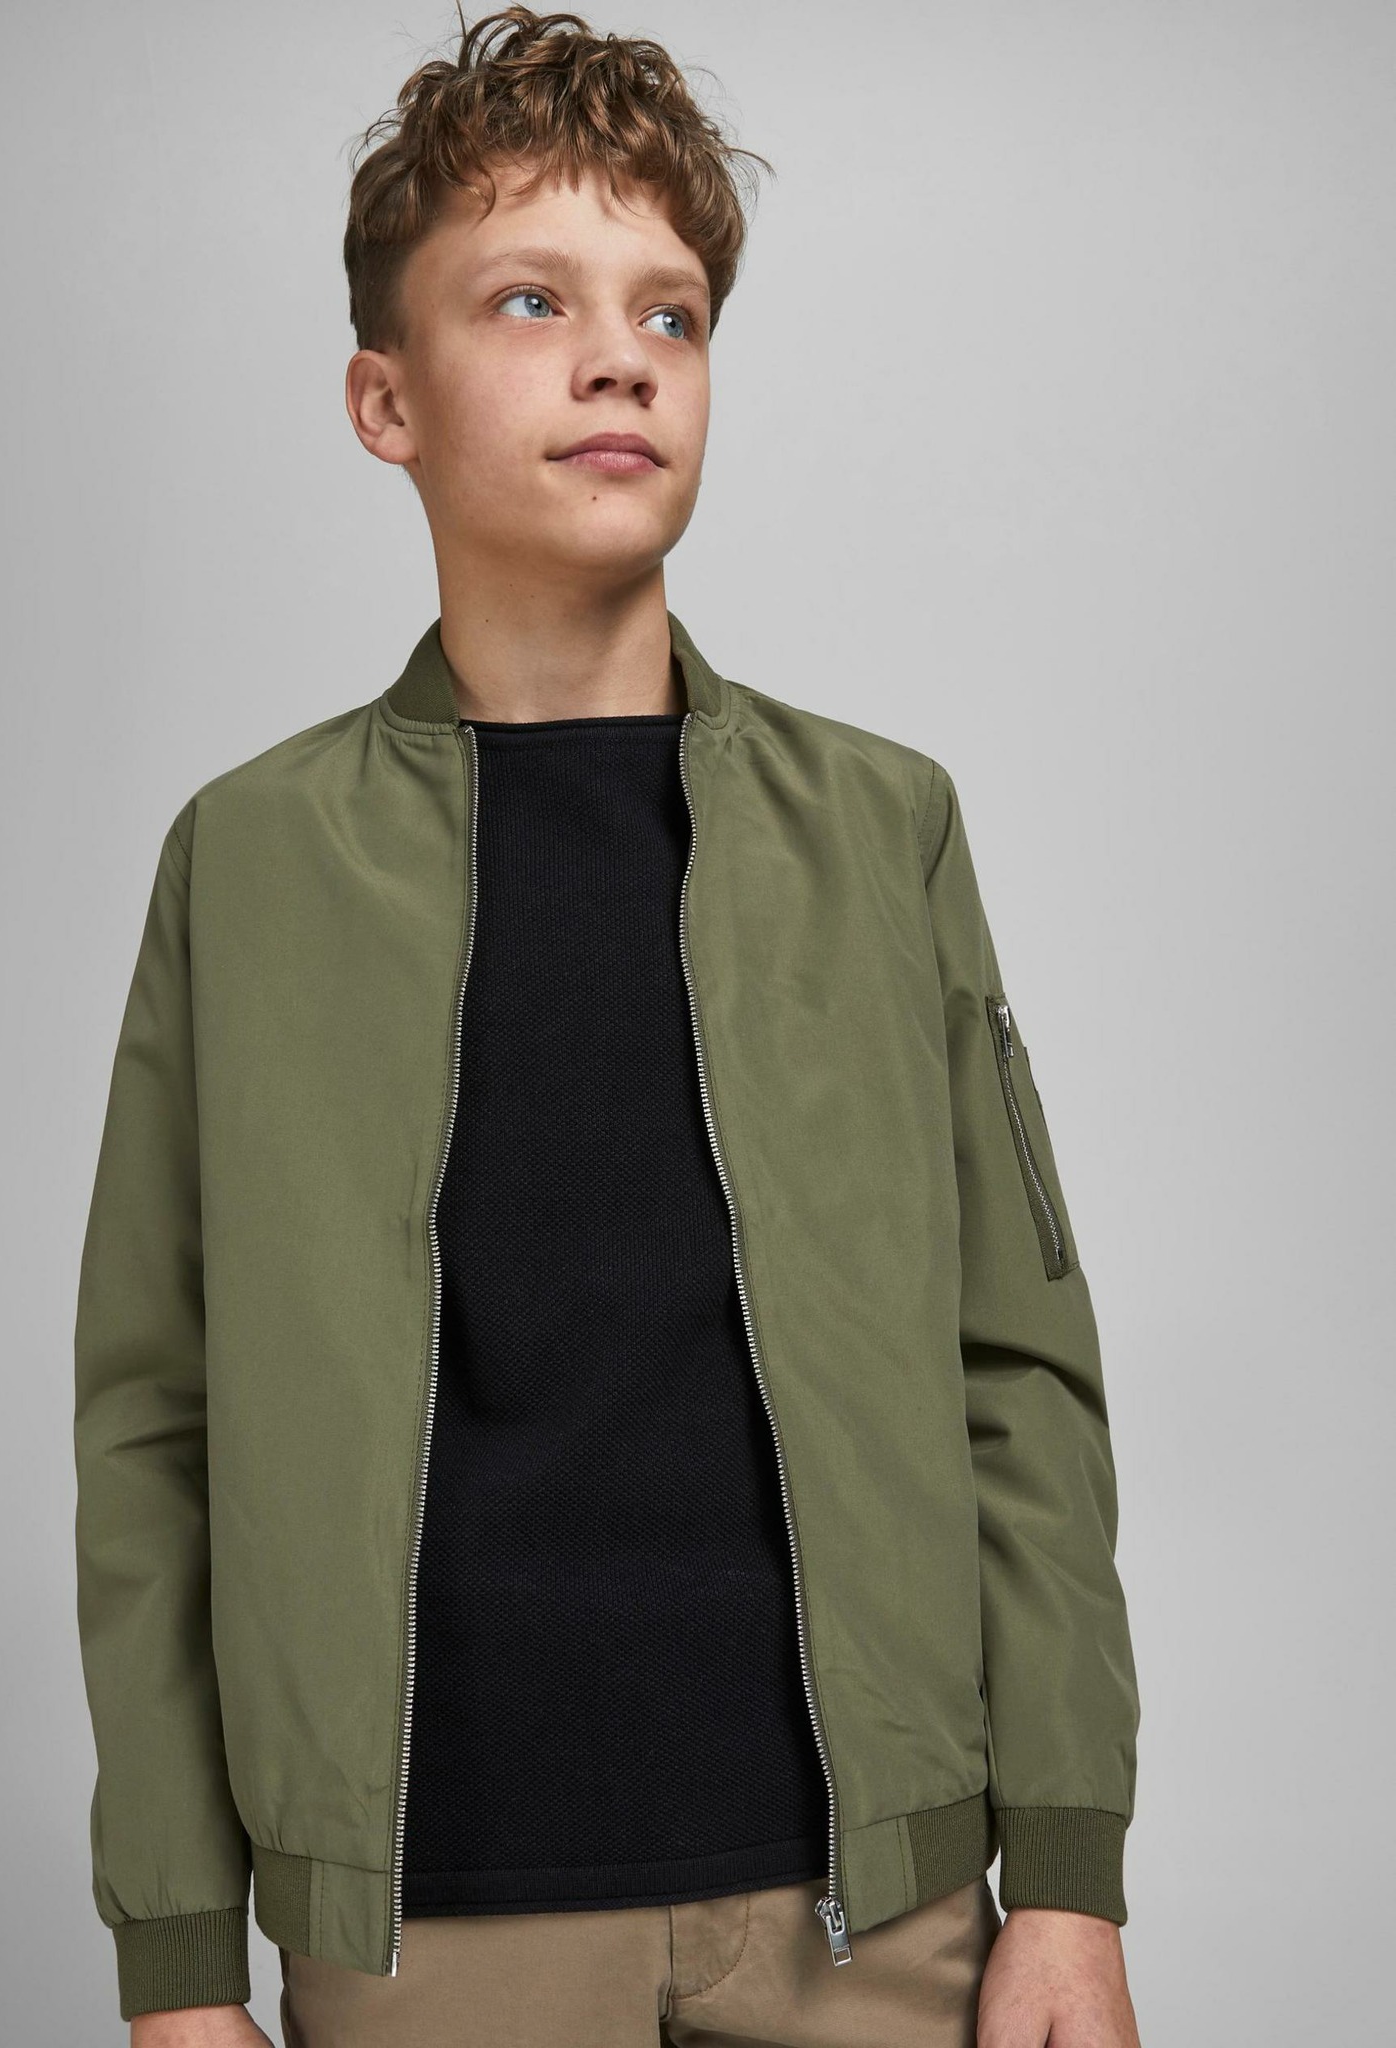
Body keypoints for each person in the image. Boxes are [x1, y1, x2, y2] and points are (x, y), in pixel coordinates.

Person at [72, 9, 1142, 2045]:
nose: (620, 355)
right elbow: (153, 1426)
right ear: (385, 400)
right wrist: (181, 1967)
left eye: (671, 312)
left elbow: (1021, 1368)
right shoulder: (250, 862)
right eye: (531, 299)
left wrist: (1069, 1880)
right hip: (428, 1934)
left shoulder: (883, 829)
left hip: (874, 1914)